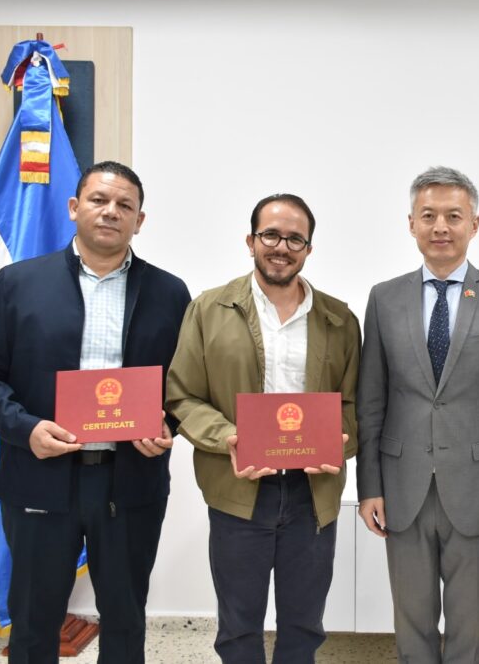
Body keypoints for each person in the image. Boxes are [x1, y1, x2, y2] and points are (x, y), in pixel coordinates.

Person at [0, 161, 190, 663]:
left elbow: (188, 384)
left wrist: (169, 424)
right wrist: (25, 428)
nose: (111, 212)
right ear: (73, 207)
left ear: (139, 220)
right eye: (99, 200)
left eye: (124, 205)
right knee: (33, 620)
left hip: (131, 481)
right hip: (38, 476)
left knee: (125, 619)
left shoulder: (170, 293)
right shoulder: (19, 283)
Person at [165, 193, 359, 664]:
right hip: (238, 488)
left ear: (309, 249)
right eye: (270, 234)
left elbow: (354, 405)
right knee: (238, 626)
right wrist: (227, 437)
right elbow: (182, 395)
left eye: (295, 238)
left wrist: (339, 440)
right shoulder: (208, 309)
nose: (281, 247)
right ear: (250, 241)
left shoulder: (339, 320)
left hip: (312, 493)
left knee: (304, 625)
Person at [356, 166, 479, 663]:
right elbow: (371, 401)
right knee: (410, 622)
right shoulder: (384, 298)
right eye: (428, 215)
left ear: (474, 224)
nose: (440, 226)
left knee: (470, 625)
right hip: (402, 484)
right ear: (411, 223)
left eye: (453, 216)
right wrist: (369, 485)